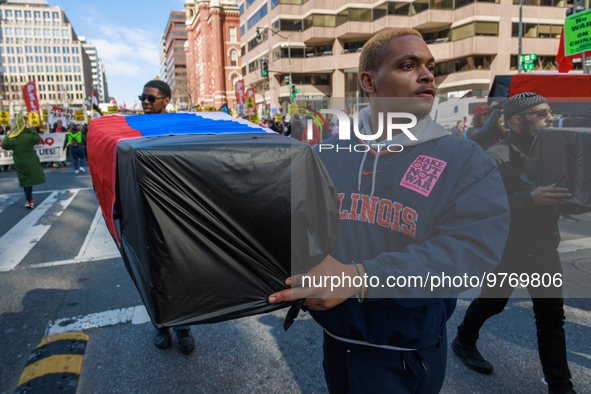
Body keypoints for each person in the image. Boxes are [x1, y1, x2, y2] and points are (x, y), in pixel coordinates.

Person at [268, 28, 510, 394]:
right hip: (339, 343)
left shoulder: (465, 160)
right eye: (408, 65)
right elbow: (291, 228)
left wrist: (361, 277)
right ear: (369, 81)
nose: (427, 74)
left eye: (430, 66)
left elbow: (471, 252)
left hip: (415, 350)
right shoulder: (323, 155)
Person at [452, 93, 576, 394]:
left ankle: (560, 385)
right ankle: (463, 340)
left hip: (545, 250)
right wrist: (529, 199)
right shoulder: (496, 157)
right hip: (508, 251)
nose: (550, 118)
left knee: (550, 318)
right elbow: (481, 209)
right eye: (541, 114)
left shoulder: (553, 151)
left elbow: (569, 198)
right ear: (517, 121)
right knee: (492, 303)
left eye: (550, 112)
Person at [139, 79, 196, 355]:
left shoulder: (180, 128)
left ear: (166, 100)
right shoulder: (132, 128)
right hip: (144, 211)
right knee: (154, 270)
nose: (146, 102)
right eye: (143, 98)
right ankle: (161, 324)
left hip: (175, 211)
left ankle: (183, 326)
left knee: (179, 269)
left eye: (151, 98)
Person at [1, 123, 46, 208]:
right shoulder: (28, 136)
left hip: (19, 160)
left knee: (24, 178)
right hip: (30, 159)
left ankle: (28, 199)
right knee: (29, 179)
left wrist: (8, 134)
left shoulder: (12, 137)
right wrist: (30, 129)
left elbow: (4, 145)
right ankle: (29, 200)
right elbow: (37, 137)